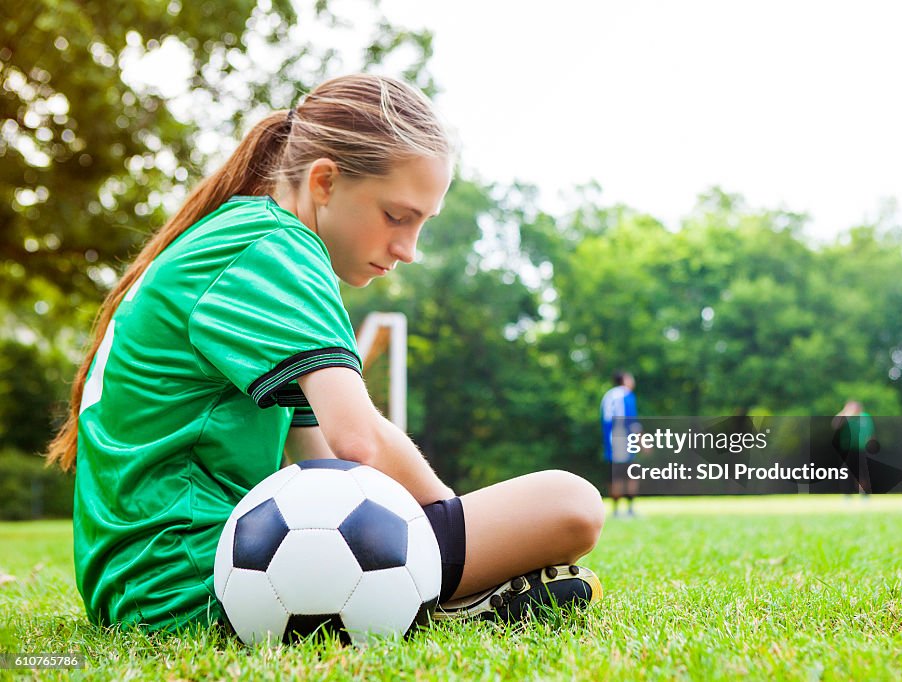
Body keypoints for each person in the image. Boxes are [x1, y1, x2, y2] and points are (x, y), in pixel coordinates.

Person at [46, 75, 604, 633]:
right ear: (324, 182)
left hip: (142, 586)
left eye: (422, 224)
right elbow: (358, 443)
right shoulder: (274, 248)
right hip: (190, 582)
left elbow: (319, 459)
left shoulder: (239, 238)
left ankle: (425, 599)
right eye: (396, 216)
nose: (408, 250)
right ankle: (452, 600)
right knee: (571, 504)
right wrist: (457, 533)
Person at [600, 371, 641, 517]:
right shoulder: (626, 394)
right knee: (631, 473)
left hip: (610, 440)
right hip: (624, 438)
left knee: (615, 474)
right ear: (624, 380)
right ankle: (629, 509)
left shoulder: (608, 395)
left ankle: (616, 510)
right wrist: (641, 440)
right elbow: (631, 420)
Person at [831, 400, 875, 495]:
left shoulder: (865, 417)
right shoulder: (845, 417)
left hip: (862, 450)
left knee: (863, 474)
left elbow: (870, 433)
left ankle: (865, 494)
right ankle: (847, 494)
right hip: (847, 450)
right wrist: (844, 412)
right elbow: (835, 425)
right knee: (847, 473)